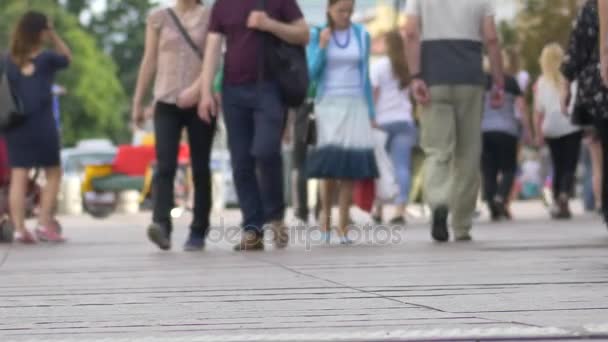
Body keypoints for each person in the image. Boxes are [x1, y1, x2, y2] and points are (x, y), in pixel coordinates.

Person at [197, 0, 308, 251]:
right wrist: (205, 91)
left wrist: (269, 24)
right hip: (233, 91)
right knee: (241, 161)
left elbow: (303, 34)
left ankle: (276, 217)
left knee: (266, 150)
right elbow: (213, 48)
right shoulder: (222, 5)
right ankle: (253, 229)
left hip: (269, 88)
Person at [405, 0, 504, 242]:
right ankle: (461, 225)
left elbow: (410, 33)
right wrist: (499, 81)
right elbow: (491, 38)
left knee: (438, 150)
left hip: (433, 78)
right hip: (469, 78)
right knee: (468, 153)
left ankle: (438, 204)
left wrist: (416, 76)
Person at [132, 0, 216, 252]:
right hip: (165, 100)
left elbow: (216, 57)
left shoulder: (210, 15)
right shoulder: (158, 17)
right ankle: (161, 225)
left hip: (200, 99)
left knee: (200, 167)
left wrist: (199, 88)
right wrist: (138, 101)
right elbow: (149, 60)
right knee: (165, 165)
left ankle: (198, 230)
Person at [306, 0, 378, 245]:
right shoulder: (318, 34)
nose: (346, 15)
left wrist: (370, 110)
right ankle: (325, 216)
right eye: (341, 11)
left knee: (350, 166)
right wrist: (323, 47)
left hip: (355, 105)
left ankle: (344, 225)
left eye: (350, 10)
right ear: (329, 9)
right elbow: (310, 72)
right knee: (329, 166)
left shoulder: (361, 34)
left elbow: (365, 74)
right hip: (328, 105)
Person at [5, 11, 71, 243]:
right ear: (41, 31)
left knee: (18, 175)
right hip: (42, 123)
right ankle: (43, 224)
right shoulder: (47, 59)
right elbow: (67, 57)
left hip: (14, 124)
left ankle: (19, 229)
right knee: (53, 173)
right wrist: (54, 35)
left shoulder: (7, 59)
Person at [563, 0, 608, 225]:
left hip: (595, 90)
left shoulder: (588, 10)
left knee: (599, 157)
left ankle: (603, 206)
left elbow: (574, 51)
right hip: (598, 85)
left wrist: (566, 88)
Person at [370, 30, 416, 226]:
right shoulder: (408, 67)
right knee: (402, 166)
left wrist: (371, 118)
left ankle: (378, 209)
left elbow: (374, 94)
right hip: (404, 121)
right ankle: (399, 209)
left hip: (381, 122)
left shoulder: (379, 65)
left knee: (380, 167)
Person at [481, 51, 532, 221]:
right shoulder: (511, 81)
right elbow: (521, 106)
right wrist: (527, 129)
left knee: (488, 171)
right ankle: (500, 198)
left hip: (485, 131)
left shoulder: (482, 81)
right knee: (509, 169)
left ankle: (492, 205)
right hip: (508, 132)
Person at [537, 44, 583, 219]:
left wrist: (537, 133)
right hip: (571, 125)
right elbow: (579, 102)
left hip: (551, 127)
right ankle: (564, 193)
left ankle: (557, 201)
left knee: (557, 165)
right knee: (570, 165)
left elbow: (538, 111)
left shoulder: (542, 81)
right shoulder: (572, 78)